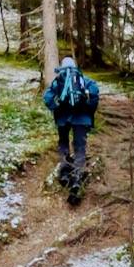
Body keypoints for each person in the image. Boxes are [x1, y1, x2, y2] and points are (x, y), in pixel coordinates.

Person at [42, 56, 100, 205]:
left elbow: (47, 98)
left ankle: (64, 172)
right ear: (75, 66)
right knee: (80, 147)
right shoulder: (83, 79)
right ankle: (77, 177)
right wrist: (86, 106)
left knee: (63, 143)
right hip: (81, 120)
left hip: (63, 119)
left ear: (62, 66)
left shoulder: (58, 80)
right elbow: (95, 94)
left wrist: (57, 105)